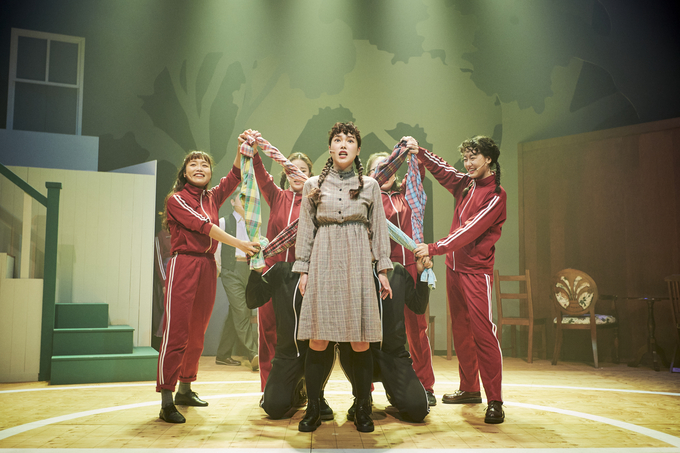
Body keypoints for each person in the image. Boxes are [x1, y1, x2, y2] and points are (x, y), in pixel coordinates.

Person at [293, 121, 393, 433]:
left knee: (360, 341)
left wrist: (383, 271)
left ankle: (362, 407)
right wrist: (303, 270)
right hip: (323, 259)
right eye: (337, 139)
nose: (343, 144)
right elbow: (306, 229)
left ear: (358, 149)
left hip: (357, 260)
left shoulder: (370, 186)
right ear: (330, 148)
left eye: (350, 140)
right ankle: (313, 408)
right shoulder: (312, 185)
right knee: (318, 338)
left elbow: (379, 228)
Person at [157, 150, 260, 424]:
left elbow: (234, 176)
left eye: (205, 164)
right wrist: (240, 244)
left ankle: (185, 389)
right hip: (184, 264)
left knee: (197, 334)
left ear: (210, 172)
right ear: (185, 172)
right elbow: (204, 227)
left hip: (206, 266)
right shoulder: (176, 199)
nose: (200, 167)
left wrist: (241, 149)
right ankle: (166, 399)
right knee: (176, 333)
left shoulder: (212, 197)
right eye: (193, 164)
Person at [410, 135, 507, 424]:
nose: (468, 163)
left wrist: (434, 248)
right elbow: (443, 171)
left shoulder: (496, 195)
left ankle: (495, 400)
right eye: (465, 158)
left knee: (483, 333)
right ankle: (469, 389)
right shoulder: (466, 183)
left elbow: (470, 230)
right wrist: (420, 152)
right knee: (462, 331)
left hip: (477, 272)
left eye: (473, 157)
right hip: (454, 268)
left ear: (488, 159)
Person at [366, 152, 437, 407]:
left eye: (390, 166)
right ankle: (366, 389)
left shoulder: (405, 195)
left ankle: (425, 385)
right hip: (380, 270)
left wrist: (413, 152)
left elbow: (418, 174)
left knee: (417, 330)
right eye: (380, 168)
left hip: (409, 268)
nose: (386, 171)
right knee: (372, 331)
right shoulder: (367, 198)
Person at [246, 130, 314, 392]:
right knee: (269, 332)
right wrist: (254, 152)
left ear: (310, 175)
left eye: (303, 170)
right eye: (292, 169)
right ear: (285, 173)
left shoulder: (316, 202)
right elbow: (261, 175)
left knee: (302, 334)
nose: (297, 173)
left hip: (302, 277)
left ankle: (302, 387)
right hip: (272, 276)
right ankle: (268, 389)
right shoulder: (277, 196)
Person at [338, 258, 432, 423]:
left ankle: (393, 391)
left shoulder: (397, 271)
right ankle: (362, 396)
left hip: (394, 355)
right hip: (360, 353)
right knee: (345, 348)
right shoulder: (349, 272)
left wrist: (422, 274)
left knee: (418, 410)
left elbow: (418, 306)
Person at [245, 261, 335, 421]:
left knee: (329, 346)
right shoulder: (281, 270)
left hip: (319, 353)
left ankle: (317, 395)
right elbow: (253, 301)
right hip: (288, 354)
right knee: (274, 407)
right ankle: (298, 390)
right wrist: (256, 271)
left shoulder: (329, 270)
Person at [213, 194, 259, 371]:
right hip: (231, 269)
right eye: (241, 198)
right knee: (241, 311)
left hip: (248, 269)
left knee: (238, 311)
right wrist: (221, 269)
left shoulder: (253, 224)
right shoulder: (223, 222)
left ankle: (223, 355)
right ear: (232, 202)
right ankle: (253, 353)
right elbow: (217, 247)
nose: (245, 202)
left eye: (247, 199)